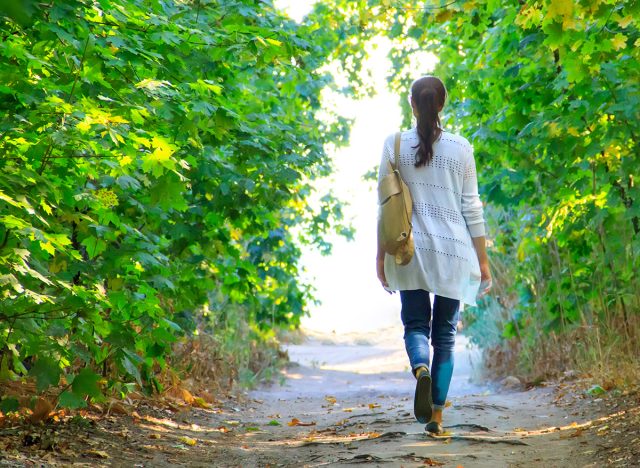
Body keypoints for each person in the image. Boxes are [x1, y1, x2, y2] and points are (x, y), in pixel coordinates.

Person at [376, 75, 492, 435]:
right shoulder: (462, 149)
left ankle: (420, 368)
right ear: (441, 104)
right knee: (445, 335)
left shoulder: (394, 145)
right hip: (453, 254)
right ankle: (437, 418)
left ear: (413, 104)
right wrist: (483, 263)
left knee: (414, 325)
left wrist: (380, 257)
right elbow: (472, 208)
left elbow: (385, 207)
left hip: (410, 251)